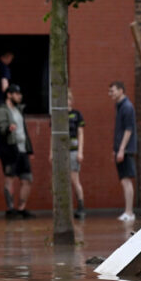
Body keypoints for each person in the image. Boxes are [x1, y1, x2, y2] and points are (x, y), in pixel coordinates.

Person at [0, 84, 35, 219]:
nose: (20, 96)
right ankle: (10, 209)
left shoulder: (19, 110)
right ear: (9, 95)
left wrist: (30, 149)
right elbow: (1, 127)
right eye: (17, 94)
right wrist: (8, 128)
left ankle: (21, 208)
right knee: (9, 178)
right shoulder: (2, 110)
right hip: (10, 149)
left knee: (27, 179)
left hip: (22, 149)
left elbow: (24, 130)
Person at [49, 90, 87, 219]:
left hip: (73, 151)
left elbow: (81, 133)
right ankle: (62, 209)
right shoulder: (57, 115)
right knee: (59, 180)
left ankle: (81, 207)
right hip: (60, 152)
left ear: (71, 100)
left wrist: (80, 151)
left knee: (74, 180)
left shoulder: (77, 115)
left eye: (68, 99)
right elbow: (52, 136)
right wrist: (51, 152)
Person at [109, 81, 137, 222]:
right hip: (121, 150)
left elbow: (128, 130)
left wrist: (121, 150)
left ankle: (129, 212)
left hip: (125, 151)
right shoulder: (120, 107)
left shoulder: (126, 107)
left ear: (121, 90)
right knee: (124, 180)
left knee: (126, 180)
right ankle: (128, 212)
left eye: (113, 91)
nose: (111, 94)